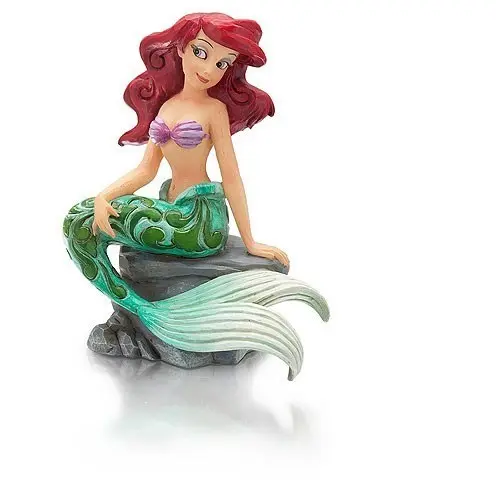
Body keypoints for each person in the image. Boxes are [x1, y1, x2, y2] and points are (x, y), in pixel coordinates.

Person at [63, 13, 329, 379]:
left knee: (80, 222)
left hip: (198, 222)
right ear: (181, 49)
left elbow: (231, 177)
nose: (209, 69)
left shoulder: (214, 110)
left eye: (222, 63)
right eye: (202, 53)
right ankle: (136, 307)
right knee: (80, 218)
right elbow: (146, 170)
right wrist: (103, 196)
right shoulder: (166, 107)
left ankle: (143, 314)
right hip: (171, 207)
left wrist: (250, 241)